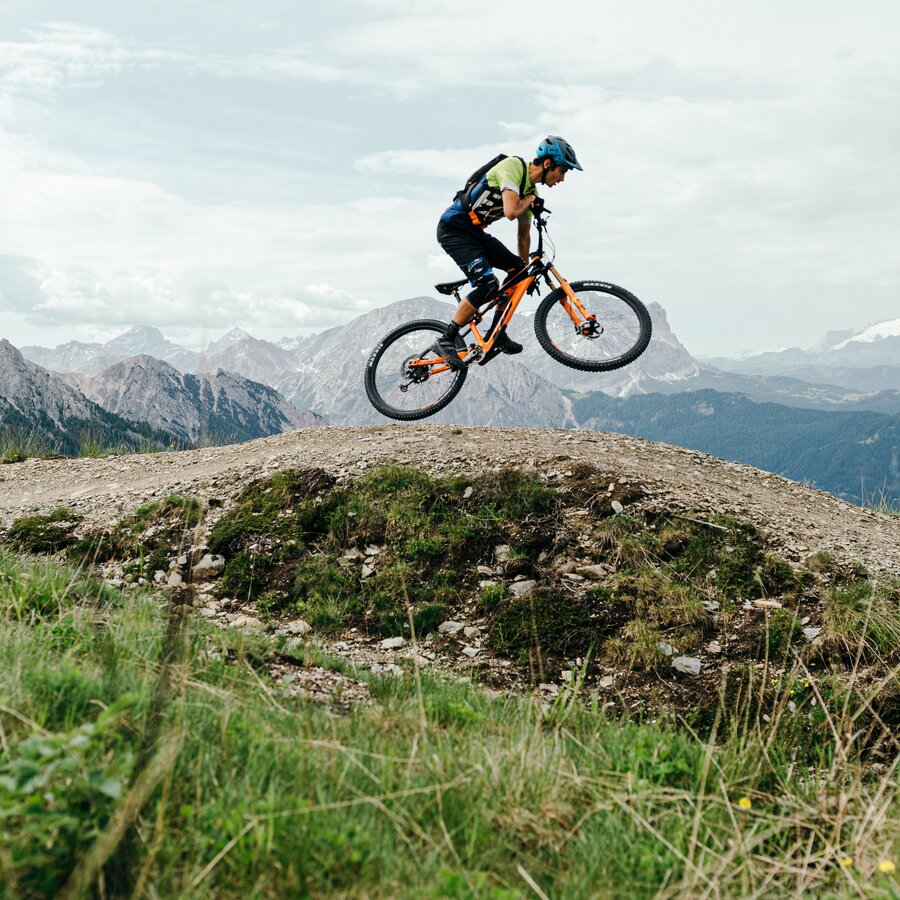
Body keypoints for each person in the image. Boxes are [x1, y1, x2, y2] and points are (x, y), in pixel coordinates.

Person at [433, 135, 583, 369]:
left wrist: (523, 271)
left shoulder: (530, 190)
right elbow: (511, 211)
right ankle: (446, 338)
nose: (562, 179)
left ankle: (497, 332)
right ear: (547, 164)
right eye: (562, 171)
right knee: (487, 285)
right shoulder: (513, 167)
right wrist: (530, 200)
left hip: (474, 232)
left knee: (516, 270)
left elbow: (523, 235)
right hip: (453, 230)